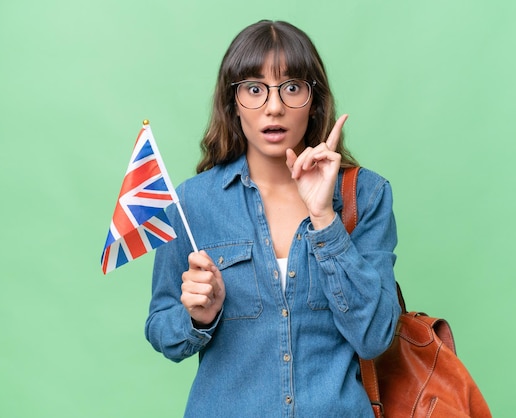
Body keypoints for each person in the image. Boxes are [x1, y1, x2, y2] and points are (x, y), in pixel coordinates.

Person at [145, 20, 401, 417]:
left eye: (292, 87)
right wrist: (197, 318)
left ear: (314, 100)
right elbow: (161, 329)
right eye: (254, 89)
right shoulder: (191, 204)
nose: (274, 106)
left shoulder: (365, 196)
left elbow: (375, 337)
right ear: (233, 103)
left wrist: (324, 220)